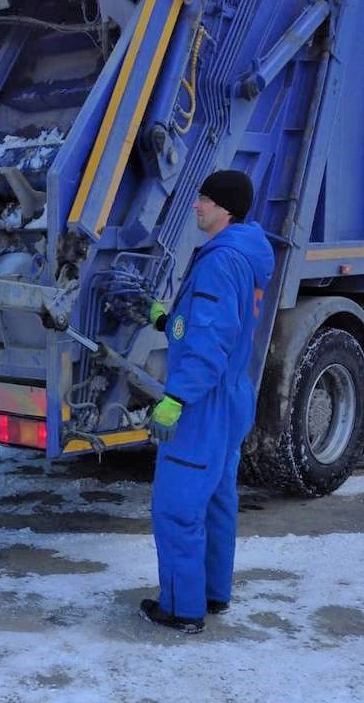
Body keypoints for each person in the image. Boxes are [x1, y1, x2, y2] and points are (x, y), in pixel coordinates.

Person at [140, 169, 274, 634]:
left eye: (203, 199)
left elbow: (212, 339)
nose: (196, 205)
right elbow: (209, 323)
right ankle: (214, 593)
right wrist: (167, 317)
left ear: (225, 208)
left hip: (204, 401)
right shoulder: (241, 254)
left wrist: (176, 397)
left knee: (177, 506)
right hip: (232, 396)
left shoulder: (220, 261)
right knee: (217, 499)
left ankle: (181, 609)